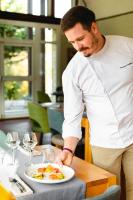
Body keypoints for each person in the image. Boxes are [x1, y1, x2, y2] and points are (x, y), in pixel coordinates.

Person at [58, 5, 133, 200]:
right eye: (72, 42)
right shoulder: (73, 72)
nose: (78, 47)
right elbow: (73, 116)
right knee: (108, 194)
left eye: (80, 38)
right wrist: (68, 149)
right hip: (104, 141)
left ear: (94, 27)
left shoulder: (127, 46)